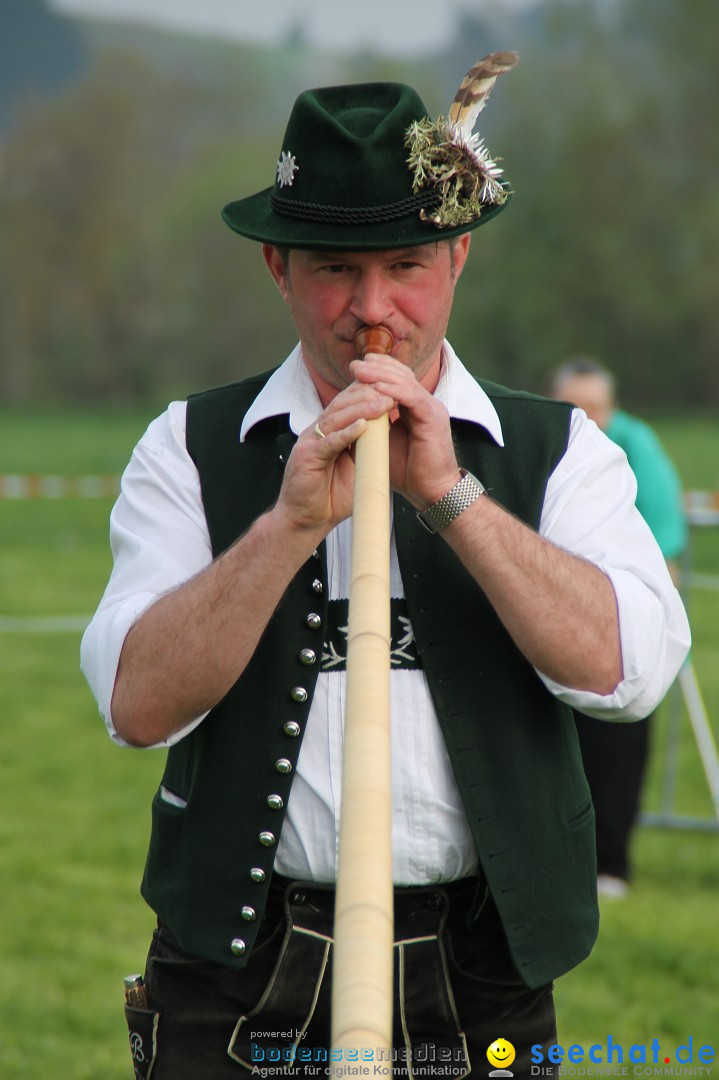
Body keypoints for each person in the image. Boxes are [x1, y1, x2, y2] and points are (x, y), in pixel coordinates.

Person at [81, 73, 690, 1079]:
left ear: (456, 256)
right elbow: (134, 705)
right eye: (332, 268)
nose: (371, 309)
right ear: (275, 265)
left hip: (479, 968)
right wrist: (287, 525)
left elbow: (625, 676)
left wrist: (452, 497)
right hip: (239, 968)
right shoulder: (188, 446)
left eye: (404, 264)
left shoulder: (559, 450)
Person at [551, 359, 687, 898]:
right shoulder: (544, 440)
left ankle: (611, 863)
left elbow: (664, 538)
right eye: (575, 407)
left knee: (617, 741)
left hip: (615, 614)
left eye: (596, 409)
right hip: (549, 614)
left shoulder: (638, 448)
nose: (588, 419)